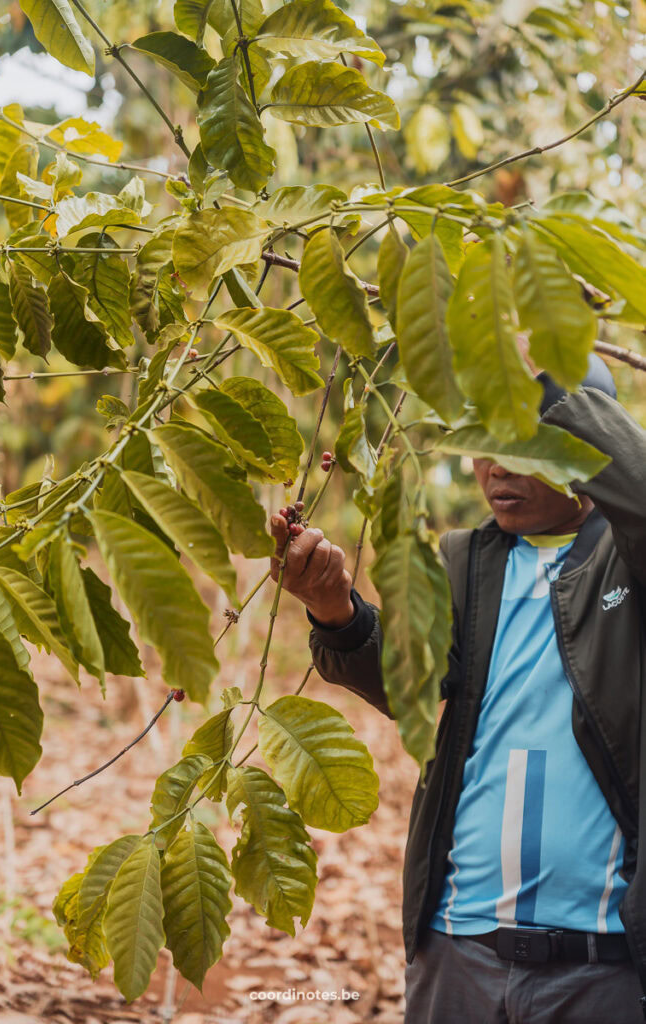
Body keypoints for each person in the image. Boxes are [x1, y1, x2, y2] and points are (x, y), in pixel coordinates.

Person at [269, 351, 646, 1024]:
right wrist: (336, 611)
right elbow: (408, 685)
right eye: (481, 441)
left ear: (582, 448)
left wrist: (542, 366)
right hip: (458, 951)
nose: (495, 467)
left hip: (601, 965)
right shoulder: (464, 561)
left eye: (522, 440)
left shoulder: (625, 557)